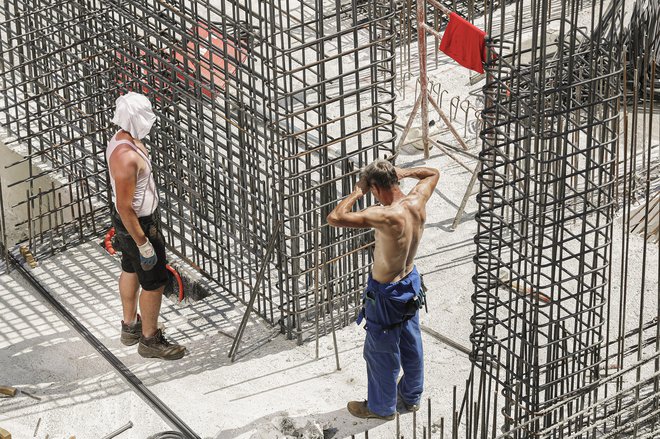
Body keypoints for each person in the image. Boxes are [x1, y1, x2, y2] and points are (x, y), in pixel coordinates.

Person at [327, 158, 439, 420]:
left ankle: (381, 408)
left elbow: (335, 217)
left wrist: (357, 191)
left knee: (381, 351)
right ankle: (411, 398)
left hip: (386, 293)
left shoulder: (385, 215)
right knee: (411, 342)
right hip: (410, 283)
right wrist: (403, 171)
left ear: (375, 188)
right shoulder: (417, 200)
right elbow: (432, 172)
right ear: (396, 179)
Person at [106, 92, 185, 360]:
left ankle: (130, 326)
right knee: (153, 282)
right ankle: (150, 339)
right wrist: (144, 244)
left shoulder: (122, 140)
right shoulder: (126, 158)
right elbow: (125, 208)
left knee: (130, 268)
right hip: (139, 225)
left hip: (132, 224)